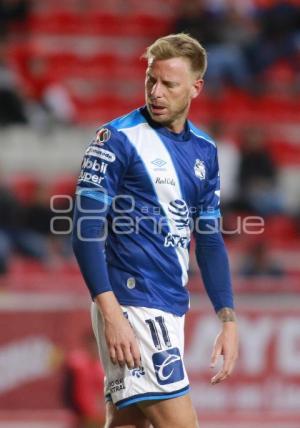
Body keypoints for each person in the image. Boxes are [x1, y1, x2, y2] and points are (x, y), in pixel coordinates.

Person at [72, 33, 238, 428]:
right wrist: (112, 314)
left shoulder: (205, 151)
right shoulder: (116, 139)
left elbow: (210, 241)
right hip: (133, 302)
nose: (156, 92)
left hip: (169, 302)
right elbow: (83, 231)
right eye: (151, 80)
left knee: (129, 423)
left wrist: (227, 319)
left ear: (196, 88)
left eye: (169, 84)